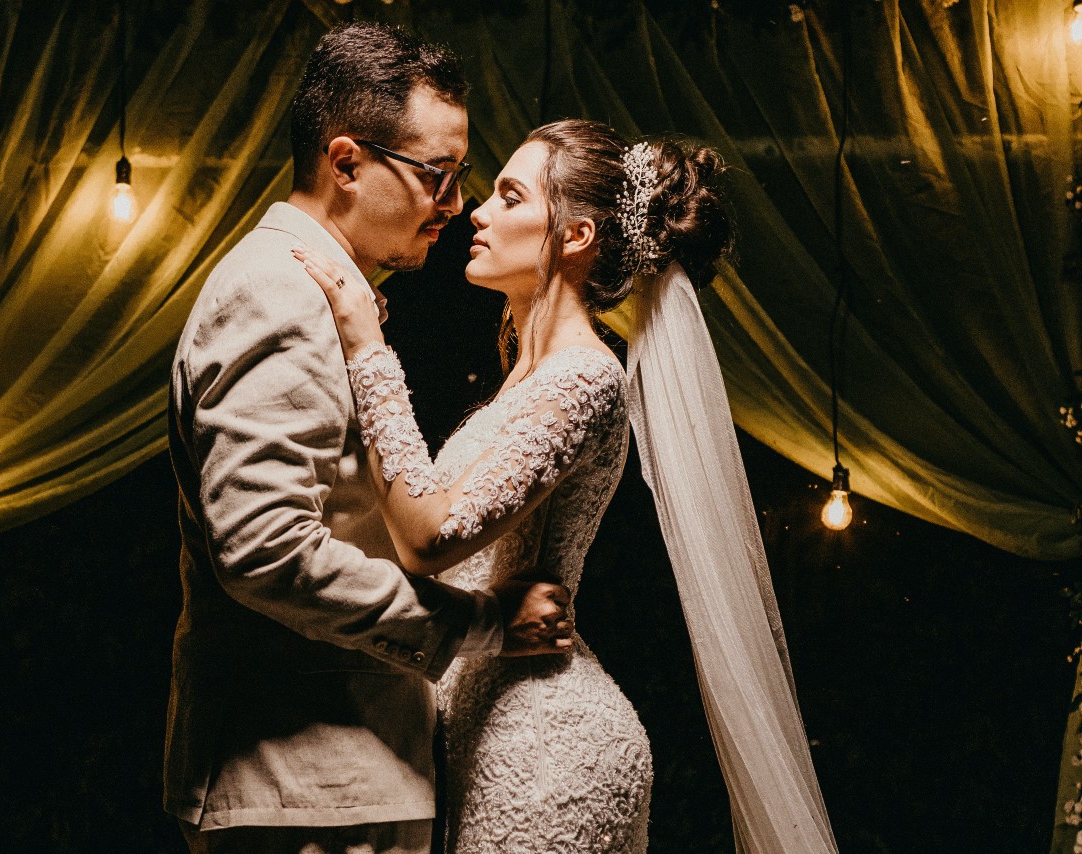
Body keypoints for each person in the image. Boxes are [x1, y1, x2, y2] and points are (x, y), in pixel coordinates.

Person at [296, 119, 839, 852]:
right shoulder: (530, 380)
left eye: (509, 197)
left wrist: (367, 350)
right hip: (486, 726)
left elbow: (429, 538)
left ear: (576, 236)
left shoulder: (587, 379)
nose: (477, 212)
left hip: (546, 747)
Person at [163, 22, 574, 854]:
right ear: (346, 162)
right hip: (306, 787)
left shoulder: (315, 289)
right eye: (438, 175)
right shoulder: (277, 292)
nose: (455, 206)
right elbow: (266, 548)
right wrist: (477, 626)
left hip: (337, 781)